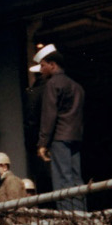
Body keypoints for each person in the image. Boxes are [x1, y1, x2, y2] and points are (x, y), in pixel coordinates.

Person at [33, 44, 86, 212]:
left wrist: (42, 143)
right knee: (76, 177)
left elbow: (49, 116)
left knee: (62, 179)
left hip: (59, 138)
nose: (40, 70)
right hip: (75, 137)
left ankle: (69, 216)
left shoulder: (52, 84)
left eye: (42, 65)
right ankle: (81, 212)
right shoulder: (77, 86)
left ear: (52, 65)